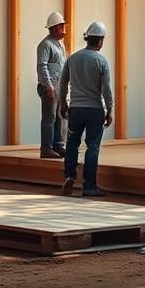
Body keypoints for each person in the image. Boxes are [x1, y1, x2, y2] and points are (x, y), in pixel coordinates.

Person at [60, 20, 113, 197]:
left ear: (87, 38)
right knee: (92, 147)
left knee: (72, 144)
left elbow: (63, 82)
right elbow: (106, 89)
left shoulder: (72, 58)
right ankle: (89, 186)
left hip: (76, 109)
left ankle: (69, 176)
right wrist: (110, 109)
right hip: (94, 110)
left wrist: (63, 102)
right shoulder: (101, 61)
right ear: (100, 40)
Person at [37, 11, 68, 159]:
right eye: (62, 26)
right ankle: (46, 149)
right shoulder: (45, 45)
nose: (64, 28)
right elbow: (42, 66)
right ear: (54, 28)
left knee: (59, 117)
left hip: (58, 86)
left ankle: (58, 145)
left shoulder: (59, 45)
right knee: (49, 118)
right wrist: (48, 86)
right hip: (49, 86)